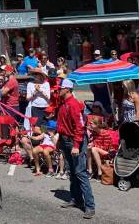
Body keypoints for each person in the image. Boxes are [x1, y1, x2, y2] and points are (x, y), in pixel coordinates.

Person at [56, 78, 95, 219]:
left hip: (74, 142)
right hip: (66, 141)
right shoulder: (63, 103)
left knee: (80, 173)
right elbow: (61, 125)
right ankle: (76, 199)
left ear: (67, 89)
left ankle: (89, 206)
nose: (58, 90)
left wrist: (77, 145)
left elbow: (79, 127)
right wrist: (59, 142)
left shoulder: (73, 104)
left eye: (60, 88)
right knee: (72, 172)